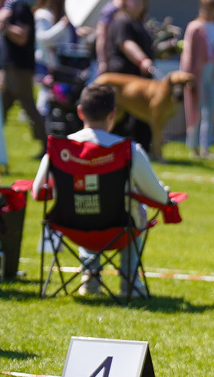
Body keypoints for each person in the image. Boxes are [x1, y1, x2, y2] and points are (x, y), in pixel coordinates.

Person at [31, 84, 172, 297]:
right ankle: (130, 283)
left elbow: (37, 191)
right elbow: (159, 197)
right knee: (134, 207)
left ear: (80, 112)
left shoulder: (60, 149)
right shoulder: (128, 150)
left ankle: (90, 278)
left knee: (86, 204)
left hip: (72, 227)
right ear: (114, 114)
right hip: (119, 229)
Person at [180, 0, 214, 161]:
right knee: (195, 109)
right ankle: (193, 147)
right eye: (205, 8)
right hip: (197, 74)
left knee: (211, 110)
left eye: (211, 8)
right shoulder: (194, 27)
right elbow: (187, 53)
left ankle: (206, 147)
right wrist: (187, 75)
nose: (208, 12)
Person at [0, 0, 46, 157]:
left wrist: (4, 25)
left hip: (18, 69)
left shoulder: (20, 7)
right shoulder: (14, 6)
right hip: (9, 68)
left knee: (29, 109)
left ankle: (48, 145)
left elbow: (22, 36)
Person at [106, 0, 153, 153]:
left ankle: (136, 150)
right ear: (125, 1)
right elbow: (126, 43)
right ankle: (110, 149)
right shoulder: (122, 20)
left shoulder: (138, 22)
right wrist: (143, 60)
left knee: (138, 118)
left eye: (141, 0)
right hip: (123, 76)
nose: (139, 3)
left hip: (137, 78)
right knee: (119, 117)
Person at [33, 0, 77, 116]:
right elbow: (42, 39)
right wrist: (62, 25)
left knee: (53, 95)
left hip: (57, 62)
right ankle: (40, 121)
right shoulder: (43, 15)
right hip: (45, 62)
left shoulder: (55, 14)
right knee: (45, 94)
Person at [94, 0, 124, 75]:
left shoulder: (128, 9)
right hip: (111, 60)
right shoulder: (110, 9)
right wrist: (102, 61)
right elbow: (101, 36)